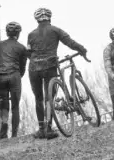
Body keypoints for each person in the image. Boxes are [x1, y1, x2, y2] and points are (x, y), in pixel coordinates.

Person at [26, 8, 87, 140]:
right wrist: (82, 49)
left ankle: (41, 129)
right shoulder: (55, 30)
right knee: (49, 98)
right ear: (49, 18)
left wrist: (36, 60)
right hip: (50, 66)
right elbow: (70, 42)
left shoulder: (30, 35)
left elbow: (28, 53)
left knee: (38, 98)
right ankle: (48, 128)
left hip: (34, 69)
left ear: (37, 20)